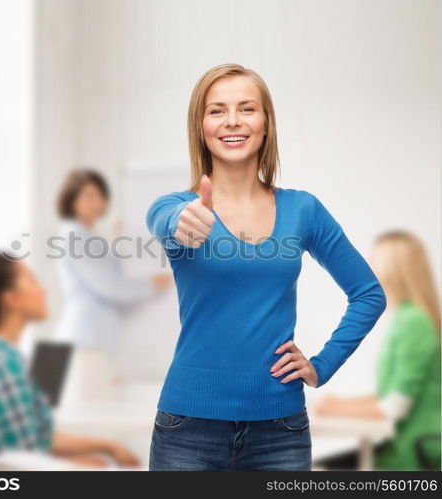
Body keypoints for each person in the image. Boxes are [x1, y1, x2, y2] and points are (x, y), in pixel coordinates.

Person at [145, 64, 387, 471]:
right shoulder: (176, 208)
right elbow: (165, 222)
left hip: (280, 433)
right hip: (187, 431)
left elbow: (368, 294)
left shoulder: (303, 210)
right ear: (200, 125)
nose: (233, 121)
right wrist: (182, 223)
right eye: (217, 110)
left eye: (247, 108)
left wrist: (322, 365)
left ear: (265, 123)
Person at [0, 250, 140, 468]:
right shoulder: (2, 367)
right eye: (32, 281)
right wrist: (82, 465)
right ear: (11, 299)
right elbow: (22, 464)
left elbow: (34, 440)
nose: (42, 289)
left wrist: (106, 446)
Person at [314, 230, 441, 470]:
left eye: (372, 261)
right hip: (403, 446)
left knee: (317, 469)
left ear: (392, 269)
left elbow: (394, 406)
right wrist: (342, 403)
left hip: (414, 452)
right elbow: (393, 393)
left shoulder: (413, 322)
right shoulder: (406, 318)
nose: (366, 268)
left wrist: (337, 408)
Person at [53, 169, 171, 405]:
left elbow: (105, 275)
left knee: (78, 421)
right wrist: (153, 283)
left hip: (80, 341)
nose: (98, 202)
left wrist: (114, 239)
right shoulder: (76, 236)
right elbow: (111, 286)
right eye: (89, 195)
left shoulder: (84, 235)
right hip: (84, 343)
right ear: (71, 199)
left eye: (100, 196)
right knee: (88, 423)